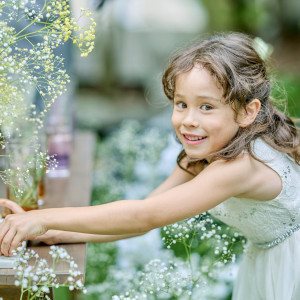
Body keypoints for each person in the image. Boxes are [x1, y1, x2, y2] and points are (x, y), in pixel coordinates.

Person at [0, 32, 299, 299]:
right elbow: (146, 213)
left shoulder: (240, 167)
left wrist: (43, 218)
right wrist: (57, 231)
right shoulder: (206, 154)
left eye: (206, 107)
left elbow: (145, 216)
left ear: (248, 112)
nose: (189, 120)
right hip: (268, 256)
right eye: (181, 104)